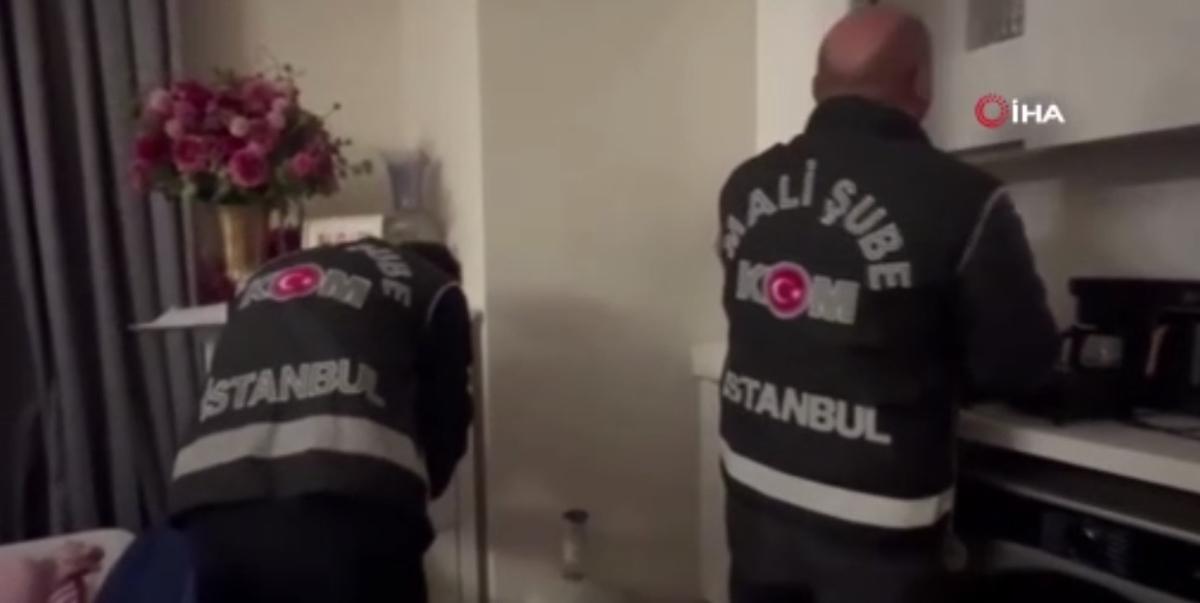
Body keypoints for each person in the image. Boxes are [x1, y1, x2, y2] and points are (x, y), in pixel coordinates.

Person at [717, 6, 1058, 603]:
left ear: (818, 86)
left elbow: (771, 316)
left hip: (755, 491)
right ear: (921, 83)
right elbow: (1018, 366)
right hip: (878, 521)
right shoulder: (965, 197)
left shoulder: (744, 185)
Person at [170, 237, 473, 603]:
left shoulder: (267, 274)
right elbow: (446, 422)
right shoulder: (438, 289)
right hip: (346, 506)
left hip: (210, 502)